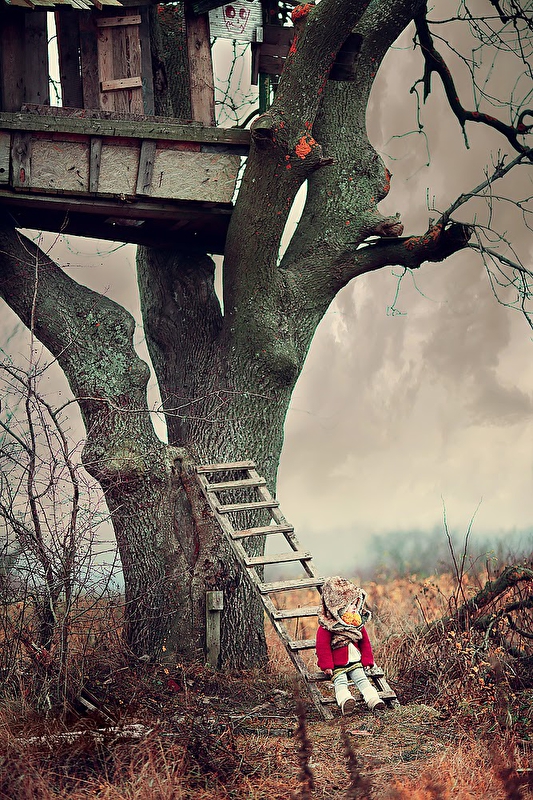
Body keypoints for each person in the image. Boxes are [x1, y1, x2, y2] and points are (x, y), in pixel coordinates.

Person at [316, 576, 386, 716]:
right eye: (350, 604)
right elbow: (322, 647)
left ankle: (373, 699)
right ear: (338, 607)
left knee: (362, 680)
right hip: (337, 665)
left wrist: (367, 660)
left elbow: (365, 643)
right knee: (340, 682)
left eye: (356, 604)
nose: (355, 607)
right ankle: (345, 701)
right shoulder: (328, 627)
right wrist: (327, 666)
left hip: (356, 663)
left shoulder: (356, 624)